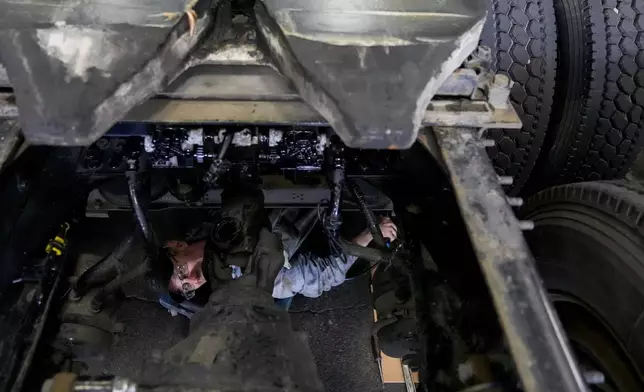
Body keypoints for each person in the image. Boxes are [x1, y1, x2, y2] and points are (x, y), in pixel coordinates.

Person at [164, 208, 398, 305]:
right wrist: (368, 235)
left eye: (181, 271)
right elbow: (323, 275)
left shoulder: (199, 211)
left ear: (177, 245)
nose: (193, 280)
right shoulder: (257, 279)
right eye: (187, 287)